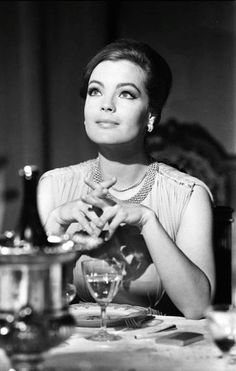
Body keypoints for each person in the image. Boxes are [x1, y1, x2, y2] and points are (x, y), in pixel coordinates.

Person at [37, 38, 215, 319]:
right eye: (95, 92)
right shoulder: (53, 187)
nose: (106, 105)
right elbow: (31, 306)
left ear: (151, 116)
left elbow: (197, 308)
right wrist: (56, 225)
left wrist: (148, 221)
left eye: (126, 94)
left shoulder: (189, 194)